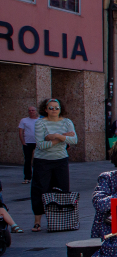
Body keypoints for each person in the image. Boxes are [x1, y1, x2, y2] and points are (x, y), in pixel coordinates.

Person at [30, 98, 77, 233]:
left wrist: (55, 136)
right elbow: (41, 145)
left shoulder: (67, 122)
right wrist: (62, 138)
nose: (54, 110)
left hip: (60, 160)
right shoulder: (40, 123)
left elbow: (74, 140)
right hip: (42, 161)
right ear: (45, 110)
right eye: (51, 108)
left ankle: (62, 220)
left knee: (63, 189)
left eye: (56, 108)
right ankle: (37, 221)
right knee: (40, 190)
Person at [18, 105, 39, 184]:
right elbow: (21, 132)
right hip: (27, 143)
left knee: (38, 160)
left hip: (38, 143)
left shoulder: (40, 120)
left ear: (36, 111)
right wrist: (23, 142)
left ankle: (38, 177)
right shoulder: (24, 120)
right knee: (27, 160)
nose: (31, 112)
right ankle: (27, 177)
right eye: (29, 110)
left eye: (33, 110)